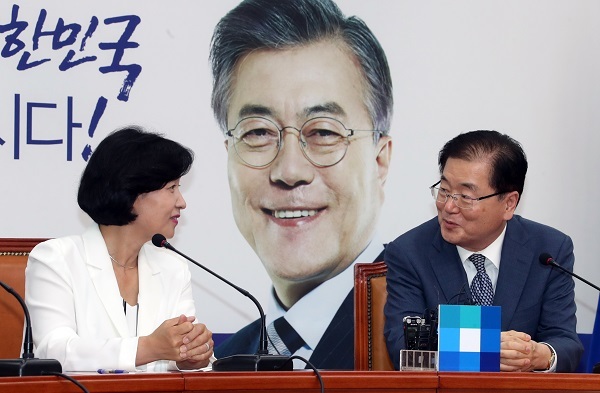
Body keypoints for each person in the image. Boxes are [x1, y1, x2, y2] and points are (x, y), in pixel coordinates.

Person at [210, 0, 393, 369]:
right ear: (228, 154)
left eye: (324, 131)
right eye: (258, 132)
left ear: (379, 160)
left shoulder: (437, 337)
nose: (290, 170)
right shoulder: (222, 365)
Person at [384, 130, 583, 372]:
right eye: (444, 190)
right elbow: (403, 347)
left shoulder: (549, 250)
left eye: (466, 197)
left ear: (509, 203)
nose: (448, 206)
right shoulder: (409, 253)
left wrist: (539, 356)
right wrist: (488, 349)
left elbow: (566, 343)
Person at [25, 127, 215, 372]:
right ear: (132, 192)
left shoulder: (172, 268)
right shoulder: (56, 259)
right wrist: (148, 348)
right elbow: (53, 352)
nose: (182, 201)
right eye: (172, 188)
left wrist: (192, 358)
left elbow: (186, 361)